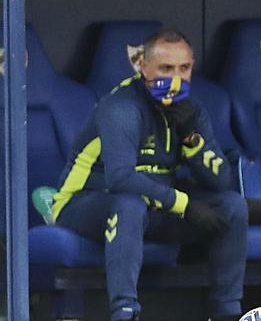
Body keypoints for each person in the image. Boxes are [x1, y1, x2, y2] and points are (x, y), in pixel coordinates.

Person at [50, 28, 247, 321]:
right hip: (86, 201)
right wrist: (184, 205)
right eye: (166, 69)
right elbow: (121, 178)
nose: (176, 78)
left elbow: (220, 179)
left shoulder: (191, 110)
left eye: (184, 68)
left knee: (232, 206)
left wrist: (190, 139)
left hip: (154, 207)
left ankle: (226, 312)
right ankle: (125, 312)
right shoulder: (121, 107)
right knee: (130, 204)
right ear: (143, 67)